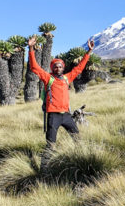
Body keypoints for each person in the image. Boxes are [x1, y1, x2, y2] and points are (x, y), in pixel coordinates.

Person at [27, 36, 93, 169]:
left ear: (63, 68)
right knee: (51, 144)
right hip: (53, 116)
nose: (58, 68)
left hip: (67, 116)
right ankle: (44, 169)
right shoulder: (48, 78)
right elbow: (34, 67)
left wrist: (88, 52)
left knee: (77, 138)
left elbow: (79, 68)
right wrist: (31, 48)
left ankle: (82, 161)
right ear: (52, 68)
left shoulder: (67, 78)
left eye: (60, 66)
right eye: (55, 66)